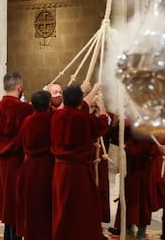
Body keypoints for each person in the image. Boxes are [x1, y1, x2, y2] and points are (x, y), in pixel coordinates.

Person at [51, 85, 110, 240]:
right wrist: (102, 107)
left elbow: (77, 108)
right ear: (79, 102)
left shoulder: (56, 116)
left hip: (60, 171)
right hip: (79, 171)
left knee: (63, 207)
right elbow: (103, 124)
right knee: (82, 208)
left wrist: (91, 91)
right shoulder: (84, 118)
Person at [0, 72, 33, 240]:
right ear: (20, 87)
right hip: (19, 162)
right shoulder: (25, 109)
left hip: (1, 162)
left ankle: (8, 236)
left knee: (6, 201)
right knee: (16, 202)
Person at [16, 90, 53, 240]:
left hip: (29, 168)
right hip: (47, 167)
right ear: (49, 104)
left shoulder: (27, 120)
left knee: (30, 205)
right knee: (45, 206)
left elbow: (21, 140)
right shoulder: (51, 119)